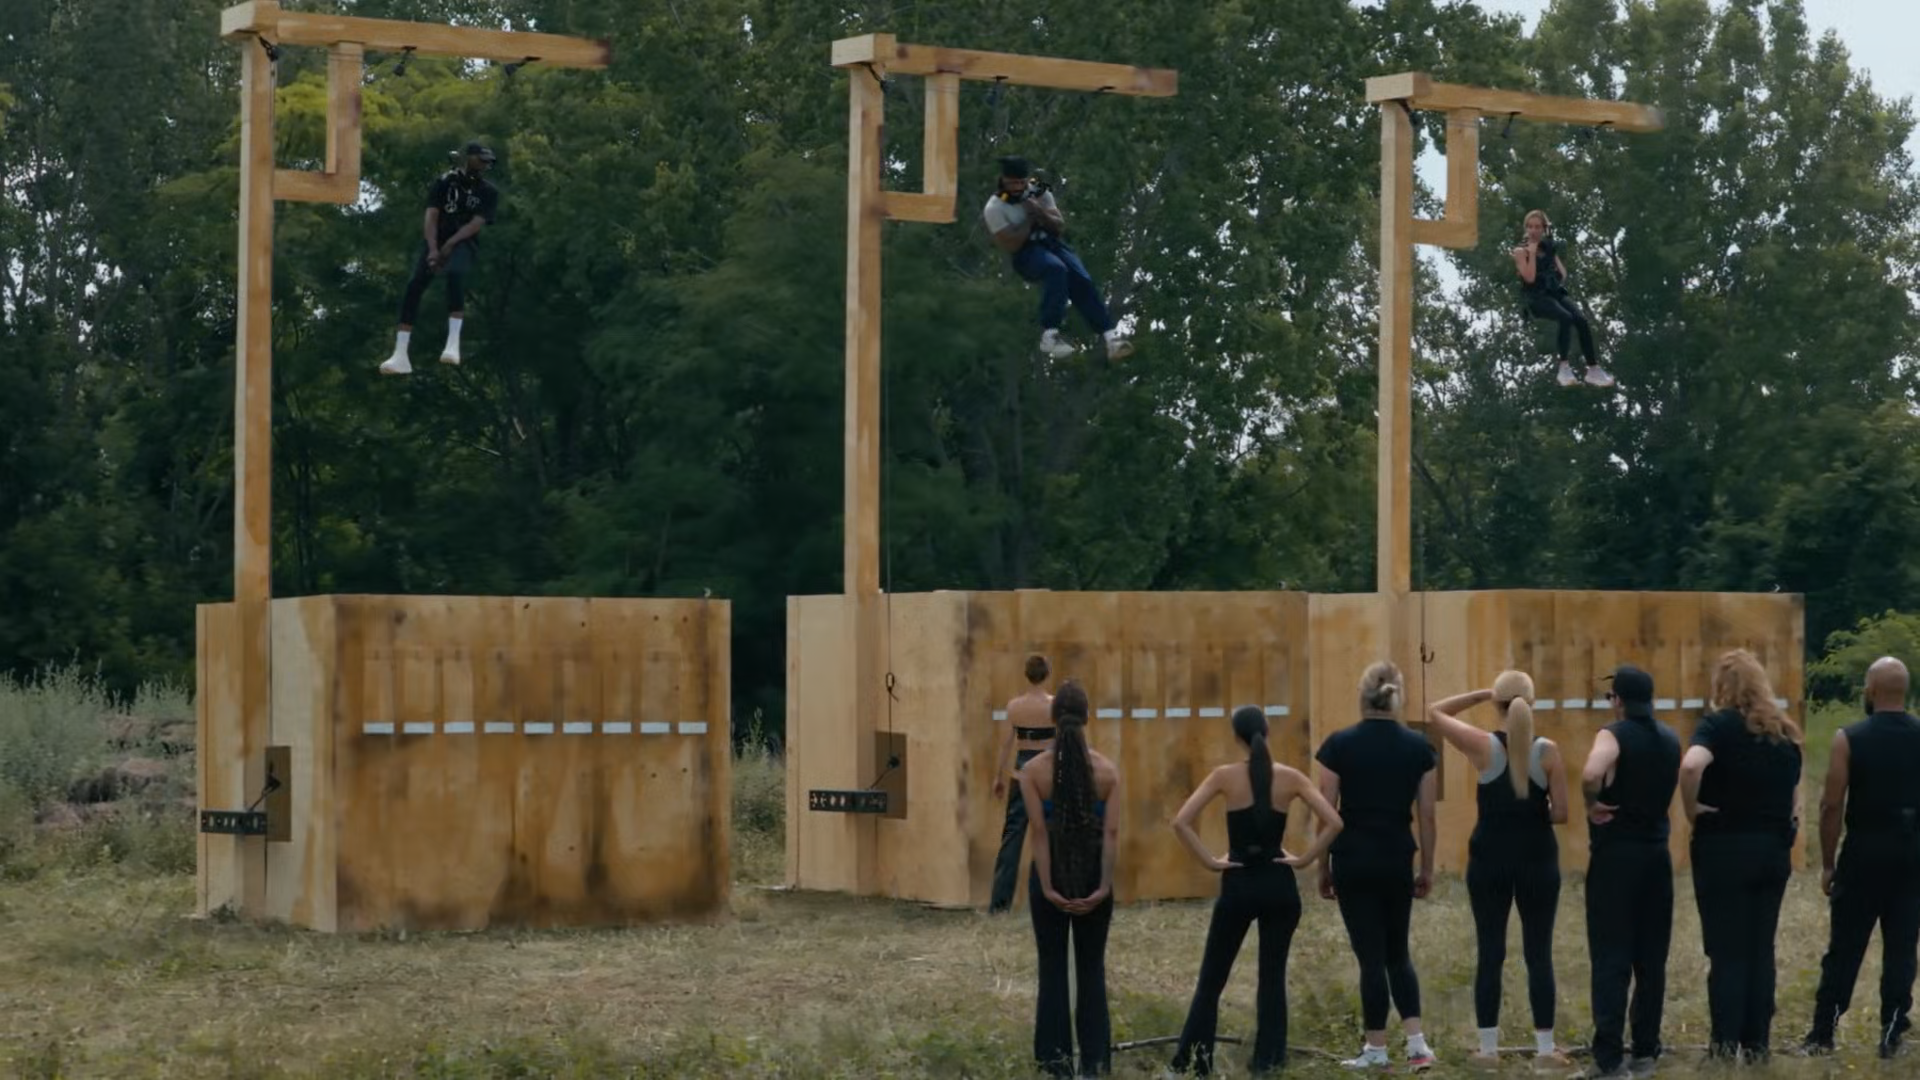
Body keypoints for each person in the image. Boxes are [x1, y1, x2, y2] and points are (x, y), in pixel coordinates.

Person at [1167, 705, 1345, 1076]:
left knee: (1212, 979)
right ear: (1267, 731)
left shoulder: (1223, 776)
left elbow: (1181, 822)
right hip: (1279, 885)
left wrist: (1210, 862)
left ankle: (1193, 1063)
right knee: (1272, 978)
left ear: (1237, 737)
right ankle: (1268, 1062)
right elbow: (1334, 822)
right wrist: (1303, 860)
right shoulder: (1291, 777)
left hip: (1239, 884)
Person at [1425, 670, 1574, 1069]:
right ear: (1532, 704)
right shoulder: (1549, 752)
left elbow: (1436, 712)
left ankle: (1488, 1051)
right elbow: (1561, 812)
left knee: (1490, 953)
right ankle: (1546, 1050)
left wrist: (1481, 693)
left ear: (1498, 704)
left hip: (1489, 860)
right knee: (1538, 954)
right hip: (1538, 860)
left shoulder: (1483, 746)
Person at [1313, 661, 1439, 1072]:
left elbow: (1325, 812)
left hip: (1352, 858)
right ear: (1398, 696)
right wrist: (1427, 868)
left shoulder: (1338, 745)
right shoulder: (1419, 747)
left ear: (1361, 694)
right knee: (1397, 953)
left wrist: (1322, 866)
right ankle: (1417, 1046)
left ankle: (1377, 1049)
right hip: (1397, 856)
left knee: (1370, 958)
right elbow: (1427, 815)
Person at [1680, 649, 1802, 1062]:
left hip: (1724, 850)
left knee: (1727, 951)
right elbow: (1795, 794)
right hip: (1772, 851)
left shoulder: (1717, 726)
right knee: (1760, 949)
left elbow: (1691, 766)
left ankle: (1723, 1045)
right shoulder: (1784, 731)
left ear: (1722, 686)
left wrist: (1692, 809)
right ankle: (1757, 1046)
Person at [1804, 656, 1920, 1059]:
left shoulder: (1849, 738)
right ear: (1904, 691)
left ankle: (1823, 1032)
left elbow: (1831, 805)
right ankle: (1892, 1033)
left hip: (1864, 851)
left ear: (1870, 690)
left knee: (1845, 946)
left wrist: (1828, 863)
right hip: (1911, 853)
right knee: (1902, 947)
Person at [1579, 664, 1680, 1080]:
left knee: (1611, 957)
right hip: (1657, 857)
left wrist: (1591, 802)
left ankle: (1608, 1059)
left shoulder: (1613, 734)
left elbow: (1591, 772)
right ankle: (1645, 1050)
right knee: (1651, 960)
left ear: (1618, 700)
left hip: (1616, 858)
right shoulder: (1671, 739)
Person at [1017, 679, 1122, 1078]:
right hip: (1093, 875)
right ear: (1087, 717)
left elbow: (1039, 833)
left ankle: (1055, 1064)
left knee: (1052, 969)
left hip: (1052, 874)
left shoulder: (1032, 772)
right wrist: (1103, 886)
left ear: (1052, 717)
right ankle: (1094, 1064)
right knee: (1092, 970)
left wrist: (1047, 887)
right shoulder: (1108, 772)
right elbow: (1111, 834)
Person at [982, 155, 1133, 363]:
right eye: (1012, 183)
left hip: (1052, 244)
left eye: (1021, 182)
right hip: (1026, 253)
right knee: (1056, 269)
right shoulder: (995, 207)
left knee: (1081, 279)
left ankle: (1110, 337)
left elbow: (1059, 226)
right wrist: (1029, 219)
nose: (1017, 187)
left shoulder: (1039, 192)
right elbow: (1011, 245)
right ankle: (1050, 335)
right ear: (1003, 180)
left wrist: (1039, 211)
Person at [380, 141, 501, 376]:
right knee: (414, 285)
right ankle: (400, 353)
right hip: (436, 239)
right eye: (481, 160)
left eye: (487, 162)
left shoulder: (488, 191)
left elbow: (476, 223)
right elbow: (431, 216)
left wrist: (450, 244)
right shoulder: (444, 183)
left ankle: (453, 343)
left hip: (463, 241)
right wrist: (433, 248)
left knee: (455, 275)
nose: (484, 165)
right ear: (468, 158)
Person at [1511, 209, 1614, 389]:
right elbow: (1530, 278)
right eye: (1530, 227)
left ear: (1544, 229)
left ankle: (1593, 369)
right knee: (1565, 317)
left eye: (1537, 227)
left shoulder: (1548, 248)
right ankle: (1564, 367)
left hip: (1554, 293)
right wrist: (1532, 253)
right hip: (1535, 297)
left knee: (1581, 320)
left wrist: (1551, 255)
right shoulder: (1521, 251)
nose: (1533, 231)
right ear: (1526, 228)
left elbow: (1563, 274)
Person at [990, 654, 1055, 913]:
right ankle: (1052, 901)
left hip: (1022, 773)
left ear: (1026, 675)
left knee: (1012, 838)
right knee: (1051, 837)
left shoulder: (1014, 706)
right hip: (1048, 773)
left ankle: (999, 905)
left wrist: (999, 776)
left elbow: (1006, 744)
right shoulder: (1055, 705)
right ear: (1047, 674)